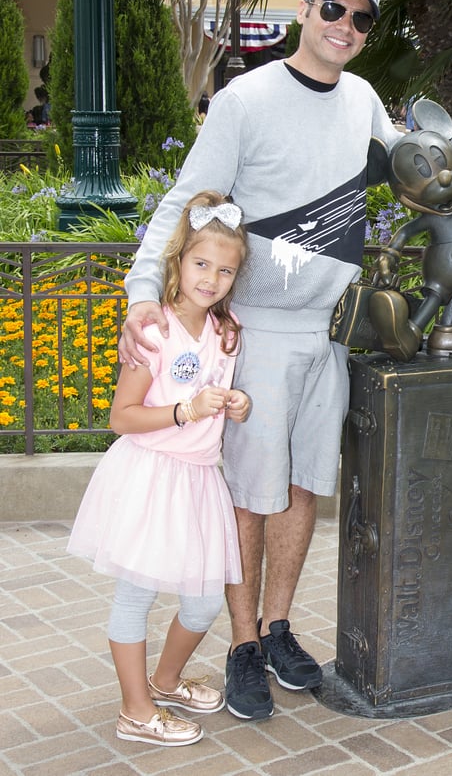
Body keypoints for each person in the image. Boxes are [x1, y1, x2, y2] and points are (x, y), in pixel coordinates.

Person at [117, 0, 452, 720]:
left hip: (329, 332)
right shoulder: (245, 100)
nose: (344, 27)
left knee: (302, 488)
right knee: (249, 496)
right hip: (263, 333)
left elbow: (420, 161)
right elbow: (185, 199)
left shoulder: (363, 101)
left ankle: (279, 627)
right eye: (333, 10)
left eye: (361, 18)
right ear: (306, 11)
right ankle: (244, 643)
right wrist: (144, 292)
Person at [68, 191, 251, 746]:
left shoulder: (228, 330)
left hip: (198, 480)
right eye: (201, 263)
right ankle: (134, 709)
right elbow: (122, 417)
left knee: (200, 600)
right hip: (150, 477)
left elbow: (210, 393)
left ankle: (165, 681)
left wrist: (236, 402)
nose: (211, 278)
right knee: (137, 595)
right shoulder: (154, 331)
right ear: (177, 263)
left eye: (225, 269)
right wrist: (184, 411)